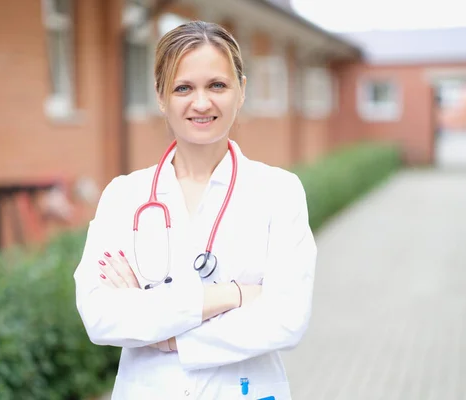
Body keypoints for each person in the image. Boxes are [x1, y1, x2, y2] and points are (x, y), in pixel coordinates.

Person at [73, 20, 317, 400]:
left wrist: (168, 335)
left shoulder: (278, 192)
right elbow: (102, 317)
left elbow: (286, 319)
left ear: (242, 91)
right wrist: (232, 296)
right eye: (183, 87)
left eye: (217, 85)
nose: (201, 103)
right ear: (160, 96)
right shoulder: (124, 196)